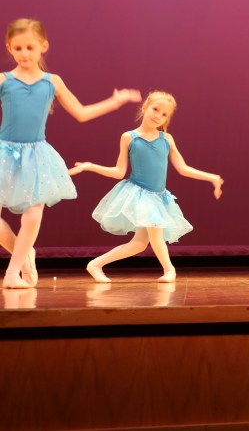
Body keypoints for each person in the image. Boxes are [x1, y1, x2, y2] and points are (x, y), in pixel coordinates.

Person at [0, 18, 141, 289]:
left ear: (43, 46)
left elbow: (81, 113)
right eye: (18, 48)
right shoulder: (4, 81)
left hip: (35, 156)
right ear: (9, 48)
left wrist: (115, 101)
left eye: (30, 47)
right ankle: (25, 253)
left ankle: (12, 273)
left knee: (33, 213)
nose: (24, 54)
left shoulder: (52, 82)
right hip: (4, 153)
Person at [69, 91, 224, 283]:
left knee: (139, 244)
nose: (158, 115)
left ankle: (95, 264)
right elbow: (118, 171)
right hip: (139, 195)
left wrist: (212, 177)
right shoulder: (129, 137)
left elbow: (183, 168)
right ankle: (169, 270)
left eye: (164, 114)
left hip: (158, 196)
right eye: (155, 109)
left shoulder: (166, 139)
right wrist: (90, 166)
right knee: (156, 228)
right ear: (144, 108)